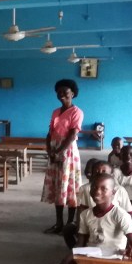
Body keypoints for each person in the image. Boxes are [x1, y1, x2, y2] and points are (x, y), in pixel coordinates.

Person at [41, 173, 132, 264]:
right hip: (88, 258)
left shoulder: (120, 215)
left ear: (113, 192)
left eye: (103, 189)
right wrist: (68, 257)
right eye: (94, 187)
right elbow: (80, 243)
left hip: (110, 262)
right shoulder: (86, 214)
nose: (97, 191)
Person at [41, 79, 84, 234]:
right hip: (54, 151)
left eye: (65, 92)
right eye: (58, 92)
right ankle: (58, 223)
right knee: (58, 187)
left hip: (68, 152)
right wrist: (49, 150)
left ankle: (69, 224)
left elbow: (72, 135)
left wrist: (59, 151)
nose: (61, 95)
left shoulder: (77, 112)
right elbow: (50, 133)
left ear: (72, 93)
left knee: (70, 187)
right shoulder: (55, 112)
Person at [65, 161, 132, 248]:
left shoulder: (121, 212)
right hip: (92, 222)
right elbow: (81, 210)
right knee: (69, 230)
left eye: (104, 189)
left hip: (114, 225)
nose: (97, 192)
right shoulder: (86, 194)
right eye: (96, 171)